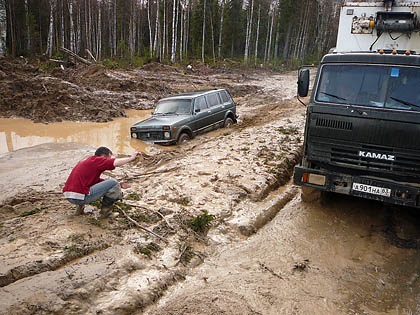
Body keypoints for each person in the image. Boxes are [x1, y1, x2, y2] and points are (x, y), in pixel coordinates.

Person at [63, 146, 140, 217]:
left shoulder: (88, 162)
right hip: (79, 197)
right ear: (105, 156)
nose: (109, 160)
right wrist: (131, 158)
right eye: (109, 157)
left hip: (69, 196)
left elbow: (97, 183)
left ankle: (79, 210)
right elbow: (115, 163)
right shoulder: (97, 160)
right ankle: (105, 212)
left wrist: (119, 184)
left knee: (111, 183)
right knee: (113, 182)